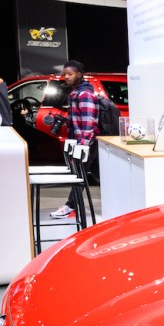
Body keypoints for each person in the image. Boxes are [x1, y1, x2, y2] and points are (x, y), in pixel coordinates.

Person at [51, 60, 98, 219]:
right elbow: (79, 119)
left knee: (79, 176)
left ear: (79, 74)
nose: (66, 77)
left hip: (84, 143)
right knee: (79, 175)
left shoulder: (84, 94)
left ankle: (70, 206)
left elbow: (88, 121)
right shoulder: (76, 93)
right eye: (65, 74)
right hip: (79, 141)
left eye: (70, 74)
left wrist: (84, 144)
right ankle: (74, 207)